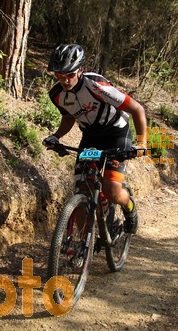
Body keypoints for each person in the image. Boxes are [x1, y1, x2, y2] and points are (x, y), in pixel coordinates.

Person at [42, 44, 147, 234]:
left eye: (70, 74)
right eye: (59, 75)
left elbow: (137, 109)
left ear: (80, 70)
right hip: (91, 137)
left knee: (112, 190)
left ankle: (129, 208)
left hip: (117, 134)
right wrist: (56, 136)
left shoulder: (97, 86)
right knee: (83, 188)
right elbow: (68, 117)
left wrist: (141, 144)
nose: (65, 80)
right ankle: (84, 246)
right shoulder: (57, 95)